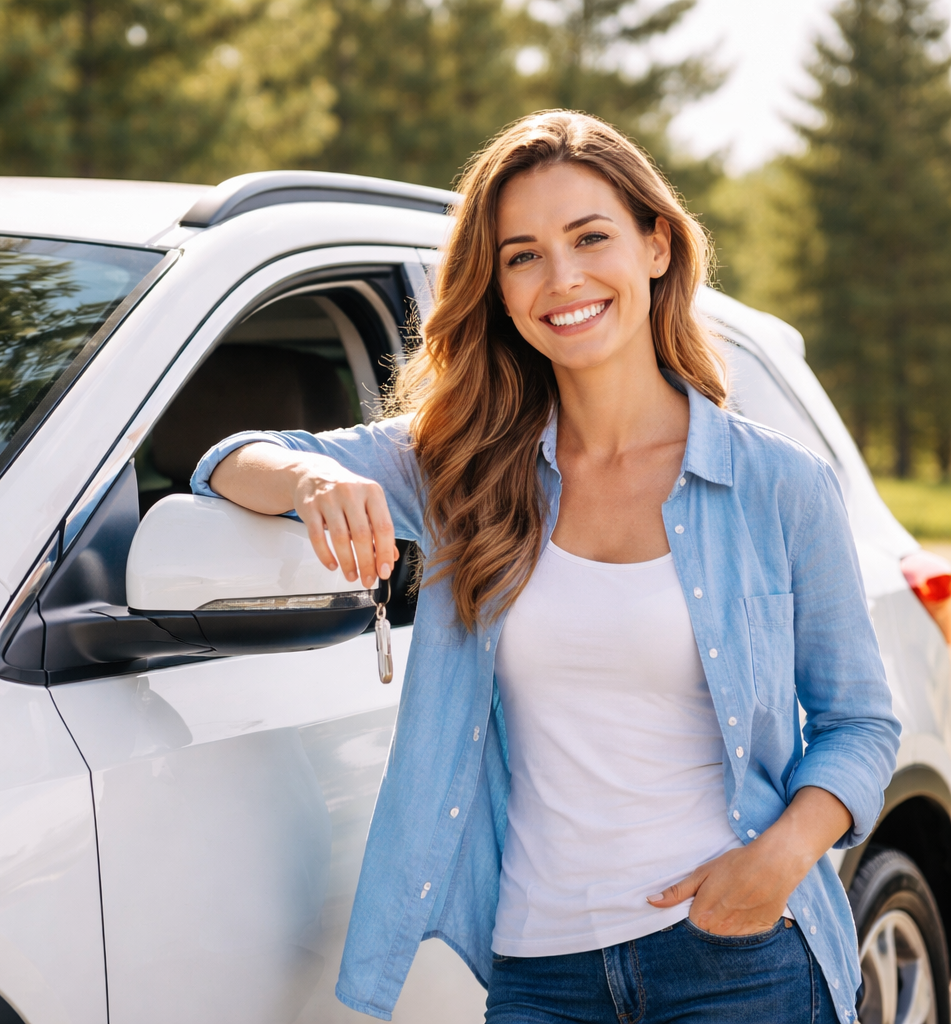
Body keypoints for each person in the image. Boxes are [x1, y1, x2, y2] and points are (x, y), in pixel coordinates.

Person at [192, 111, 900, 1024]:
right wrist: (315, 478)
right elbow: (233, 457)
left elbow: (860, 722)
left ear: (655, 245)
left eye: (590, 236)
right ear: (497, 288)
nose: (561, 278)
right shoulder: (466, 466)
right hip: (540, 973)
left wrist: (779, 860)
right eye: (522, 255)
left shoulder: (777, 486)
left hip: (739, 954)